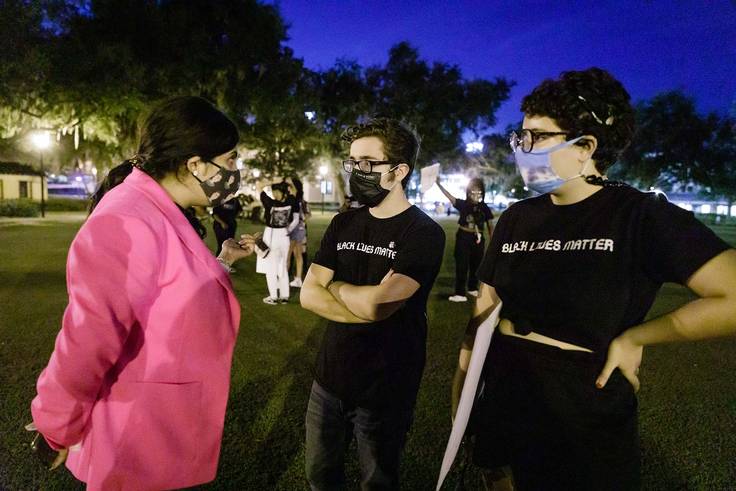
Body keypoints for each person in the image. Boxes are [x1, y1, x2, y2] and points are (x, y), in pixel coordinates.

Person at [451, 68, 736, 491]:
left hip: (582, 404)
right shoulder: (516, 218)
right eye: (520, 137)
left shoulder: (640, 216)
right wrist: (463, 395)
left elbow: (729, 294)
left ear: (585, 147)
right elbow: (484, 312)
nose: (521, 149)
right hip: (506, 386)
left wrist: (637, 338)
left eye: (537, 137)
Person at [28, 96, 257, 490]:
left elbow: (165, 293)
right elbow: (87, 341)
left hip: (160, 432)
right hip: (135, 438)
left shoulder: (160, 209)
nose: (235, 171)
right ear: (195, 164)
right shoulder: (127, 218)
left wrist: (221, 262)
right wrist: (56, 426)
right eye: (231, 159)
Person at [300, 117, 445, 490]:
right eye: (351, 163)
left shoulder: (423, 233)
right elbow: (307, 292)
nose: (355, 172)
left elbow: (378, 306)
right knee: (319, 476)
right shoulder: (344, 223)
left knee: (378, 481)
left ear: (398, 172)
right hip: (329, 378)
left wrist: (336, 287)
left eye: (367, 163)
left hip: (386, 386)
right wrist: (361, 299)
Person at [436, 176, 494, 302]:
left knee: (476, 265)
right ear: (468, 192)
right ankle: (460, 293)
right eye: (473, 191)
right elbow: (449, 197)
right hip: (464, 237)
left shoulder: (484, 207)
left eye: (479, 192)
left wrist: (494, 241)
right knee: (461, 265)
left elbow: (490, 224)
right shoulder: (463, 204)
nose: (476, 194)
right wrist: (438, 184)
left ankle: (472, 288)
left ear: (483, 193)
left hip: (478, 239)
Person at [258, 179, 299, 304]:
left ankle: (274, 297)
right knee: (282, 267)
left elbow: (260, 187)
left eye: (276, 191)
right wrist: (288, 229)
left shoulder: (270, 203)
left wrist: (271, 182)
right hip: (284, 235)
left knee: (271, 267)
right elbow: (296, 218)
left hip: (271, 234)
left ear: (281, 192)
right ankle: (284, 295)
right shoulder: (291, 201)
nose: (274, 194)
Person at [286, 177, 311, 288]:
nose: (288, 186)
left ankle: (283, 280)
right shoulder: (300, 200)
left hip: (294, 228)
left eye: (290, 185)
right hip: (301, 228)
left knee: (288, 255)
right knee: (298, 255)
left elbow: (303, 216)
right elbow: (305, 216)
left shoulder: (295, 199)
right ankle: (298, 279)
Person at [212, 195, 243, 259]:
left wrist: (234, 217)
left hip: (231, 225)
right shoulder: (219, 199)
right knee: (221, 244)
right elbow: (215, 214)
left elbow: (240, 210)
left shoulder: (235, 200)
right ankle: (218, 260)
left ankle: (227, 259)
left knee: (230, 243)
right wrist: (222, 223)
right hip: (219, 226)